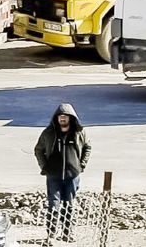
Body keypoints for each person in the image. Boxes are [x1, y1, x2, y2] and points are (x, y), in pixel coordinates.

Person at [34, 103, 92, 242]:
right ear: (56, 118)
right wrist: (44, 167)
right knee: (53, 205)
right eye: (60, 116)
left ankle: (67, 233)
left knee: (69, 205)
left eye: (65, 117)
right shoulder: (49, 133)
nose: (62, 119)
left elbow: (87, 147)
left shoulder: (79, 132)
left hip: (72, 176)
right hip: (53, 176)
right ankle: (51, 235)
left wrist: (82, 165)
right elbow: (38, 150)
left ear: (71, 118)